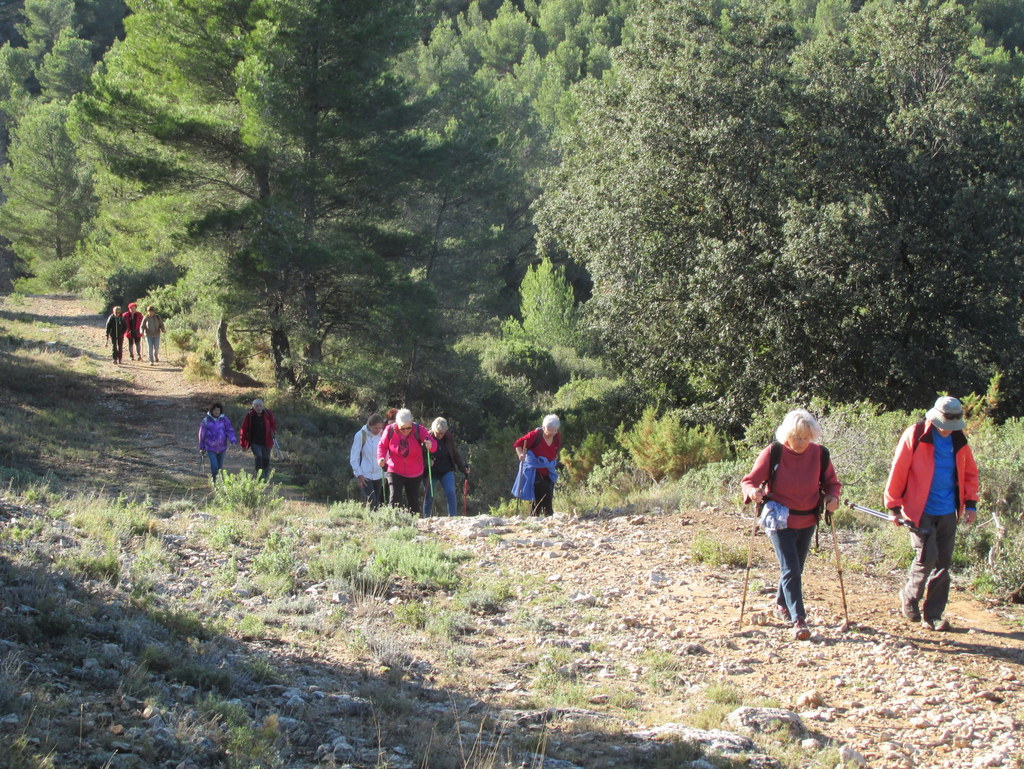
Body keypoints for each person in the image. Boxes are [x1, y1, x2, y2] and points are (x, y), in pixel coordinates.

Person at [741, 409, 841, 640]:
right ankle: (799, 619)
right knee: (791, 569)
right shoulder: (773, 453)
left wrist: (832, 498)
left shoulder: (820, 454)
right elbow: (749, 481)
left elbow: (832, 483)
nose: (803, 442)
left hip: (807, 518)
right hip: (778, 518)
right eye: (798, 437)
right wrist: (753, 492)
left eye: (807, 438)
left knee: (795, 568)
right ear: (787, 435)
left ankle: (781, 606)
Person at [884, 396, 979, 632]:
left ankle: (934, 616)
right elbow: (899, 469)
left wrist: (970, 504)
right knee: (927, 556)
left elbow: (969, 474)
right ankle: (909, 596)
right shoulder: (915, 434)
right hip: (919, 509)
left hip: (948, 511)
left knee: (943, 564)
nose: (948, 430)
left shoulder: (959, 440)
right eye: (945, 424)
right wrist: (893, 507)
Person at [377, 408, 436, 513]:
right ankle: (394, 524)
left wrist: (430, 445)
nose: (406, 431)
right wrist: (381, 458)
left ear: (411, 423)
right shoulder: (390, 430)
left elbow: (432, 444)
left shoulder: (419, 429)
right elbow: (382, 446)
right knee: (394, 498)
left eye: (408, 428)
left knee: (413, 501)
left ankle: (413, 526)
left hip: (414, 471)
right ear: (397, 424)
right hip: (394, 469)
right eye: (402, 428)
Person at [512, 414, 562, 517]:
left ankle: (535, 516)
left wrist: (555, 455)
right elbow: (518, 444)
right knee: (542, 489)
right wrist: (521, 454)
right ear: (543, 427)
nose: (552, 433)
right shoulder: (534, 435)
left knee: (548, 490)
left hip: (548, 468)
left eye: (554, 431)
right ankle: (548, 515)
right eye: (549, 431)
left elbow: (555, 447)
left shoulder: (556, 436)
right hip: (534, 468)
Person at [423, 417, 470, 517]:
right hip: (432, 472)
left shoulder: (448, 437)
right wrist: (427, 462)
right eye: (438, 433)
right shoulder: (426, 438)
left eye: (442, 433)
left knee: (450, 492)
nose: (440, 435)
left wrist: (463, 468)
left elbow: (455, 454)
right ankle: (426, 518)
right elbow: (420, 456)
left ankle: (453, 517)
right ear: (433, 429)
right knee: (429, 495)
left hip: (446, 470)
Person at [350, 414, 385, 509]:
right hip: (365, 474)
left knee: (377, 501)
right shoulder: (361, 435)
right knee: (371, 500)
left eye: (379, 428)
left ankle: (373, 520)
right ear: (369, 425)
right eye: (375, 428)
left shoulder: (382, 435)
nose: (377, 430)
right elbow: (354, 456)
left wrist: (385, 473)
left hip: (379, 473)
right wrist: (358, 474)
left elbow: (387, 454)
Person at [239, 398, 278, 480]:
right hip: (255, 442)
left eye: (260, 406)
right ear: (253, 407)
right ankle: (261, 477)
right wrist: (243, 444)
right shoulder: (250, 415)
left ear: (263, 406)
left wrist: (273, 431)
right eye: (256, 406)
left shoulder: (268, 413)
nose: (259, 408)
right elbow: (244, 429)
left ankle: (265, 475)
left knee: (266, 460)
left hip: (267, 441)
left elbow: (273, 424)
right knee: (259, 458)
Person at [198, 402, 236, 483]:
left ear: (220, 411)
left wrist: (233, 439)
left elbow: (229, 430)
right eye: (215, 410)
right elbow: (201, 434)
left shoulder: (224, 419)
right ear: (211, 411)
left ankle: (219, 482)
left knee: (219, 467)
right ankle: (215, 482)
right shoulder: (206, 421)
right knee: (214, 467)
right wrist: (202, 447)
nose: (217, 412)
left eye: (218, 410)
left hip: (222, 447)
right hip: (210, 447)